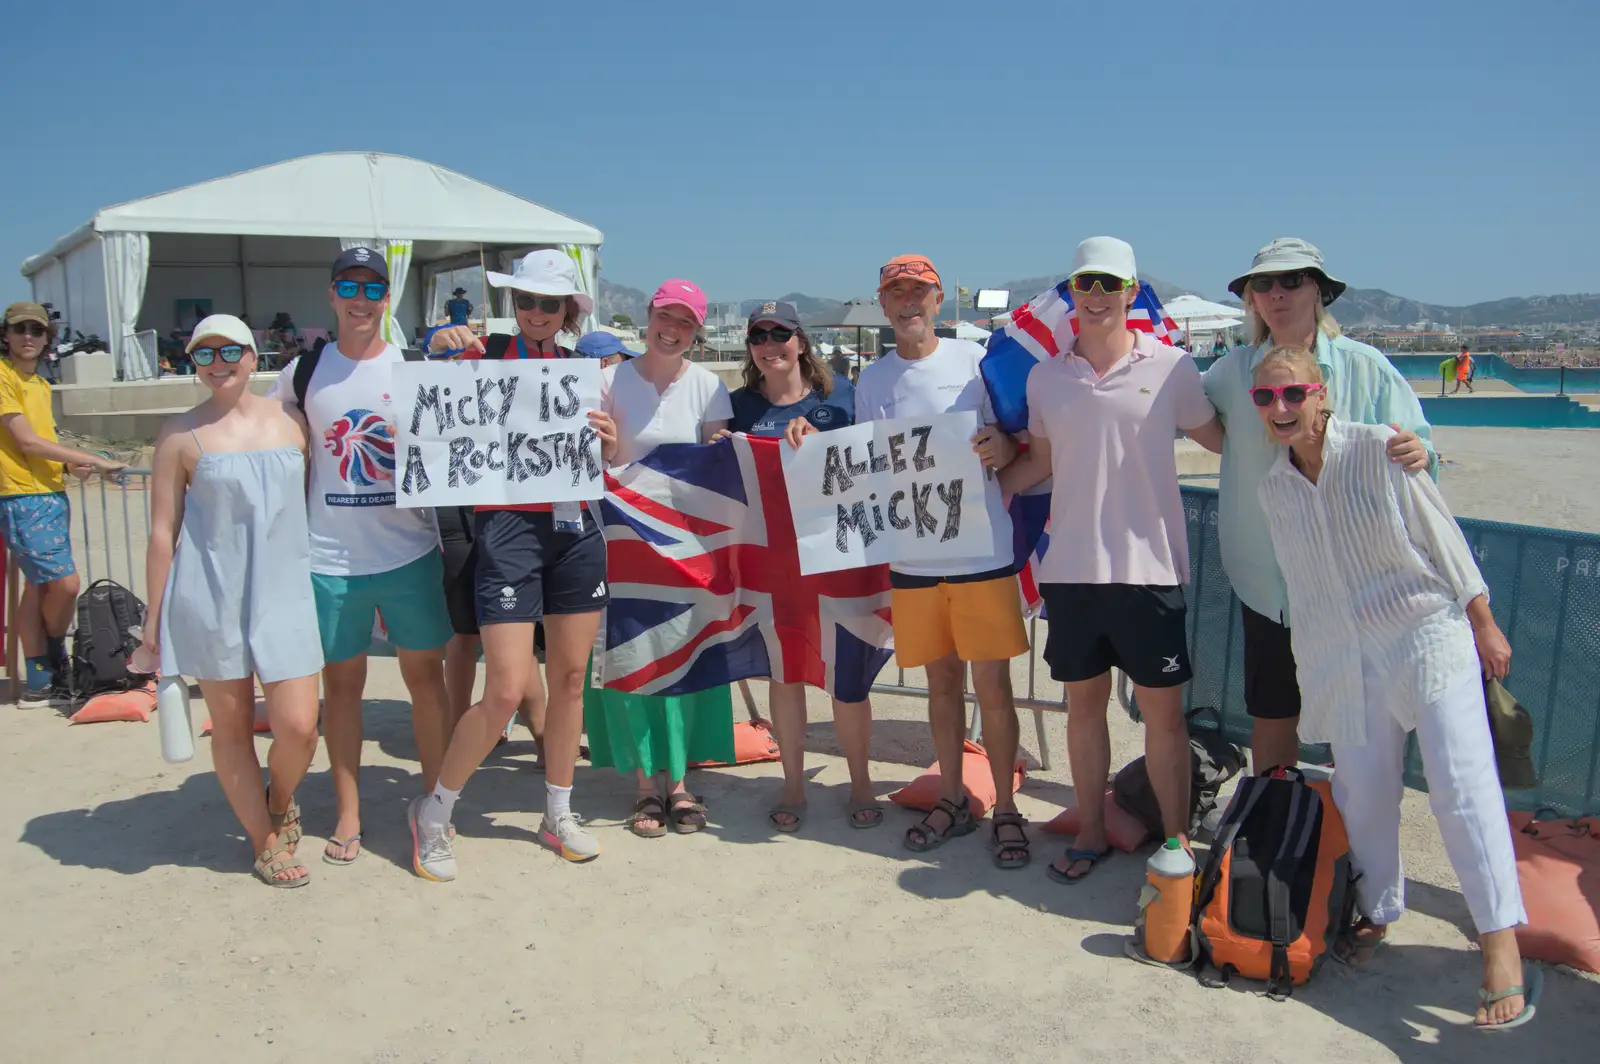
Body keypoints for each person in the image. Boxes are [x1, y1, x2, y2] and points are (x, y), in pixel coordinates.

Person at [1250, 345, 1536, 1030]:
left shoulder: (1381, 449)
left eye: (1294, 394)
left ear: (1322, 396)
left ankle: (1502, 945)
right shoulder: (1273, 492)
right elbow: (1308, 589)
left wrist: (1483, 620)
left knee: (1459, 785)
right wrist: (1313, 666)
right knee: (1364, 795)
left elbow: (1441, 535)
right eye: (1266, 399)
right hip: (1344, 659)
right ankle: (1379, 908)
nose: (1281, 409)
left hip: (1424, 634)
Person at [998, 238, 1223, 882]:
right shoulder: (1046, 378)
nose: (1093, 296)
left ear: (1130, 292)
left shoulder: (1174, 368)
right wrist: (972, 479)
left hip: (1149, 573)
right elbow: (1037, 464)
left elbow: (1224, 441)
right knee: (1084, 711)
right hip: (1070, 571)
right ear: (1070, 293)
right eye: (1082, 285)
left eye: (1106, 284)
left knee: (1164, 720)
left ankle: (1176, 845)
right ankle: (1091, 832)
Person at [798, 255, 1030, 866]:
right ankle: (952, 798)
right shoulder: (872, 381)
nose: (909, 303)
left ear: (937, 300)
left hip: (984, 554)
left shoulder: (977, 361)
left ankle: (1005, 807)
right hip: (915, 561)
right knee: (942, 685)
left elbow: (1018, 441)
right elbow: (866, 469)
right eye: (896, 293)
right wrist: (806, 443)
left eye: (919, 292)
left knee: (995, 688)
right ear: (884, 303)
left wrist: (1001, 446)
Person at [408, 249, 615, 878]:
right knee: (503, 687)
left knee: (572, 678)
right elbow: (429, 381)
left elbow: (609, 454)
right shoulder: (483, 356)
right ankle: (434, 811)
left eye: (548, 303)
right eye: (525, 301)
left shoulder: (585, 371)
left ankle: (558, 809)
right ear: (512, 304)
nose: (535, 312)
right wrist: (438, 340)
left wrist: (611, 441)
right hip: (506, 531)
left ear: (566, 311)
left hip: (575, 527)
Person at [1205, 239, 1433, 773]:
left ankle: (1355, 847)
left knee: (1362, 726)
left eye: (1292, 281)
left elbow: (1421, 452)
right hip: (1270, 585)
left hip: (1356, 585)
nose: (1277, 293)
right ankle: (1273, 838)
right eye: (1264, 283)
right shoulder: (1230, 373)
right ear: (1252, 300)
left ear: (1319, 291)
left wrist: (1420, 452)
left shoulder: (1367, 368)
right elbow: (1174, 412)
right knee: (1274, 717)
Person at [265, 247, 453, 867]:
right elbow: (264, 443)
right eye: (350, 285)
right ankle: (348, 811)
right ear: (332, 294)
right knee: (341, 687)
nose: (362, 298)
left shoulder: (417, 366)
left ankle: (433, 806)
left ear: (386, 298)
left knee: (426, 680)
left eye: (374, 288)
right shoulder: (302, 372)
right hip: (329, 559)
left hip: (410, 553)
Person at [138, 315, 324, 887]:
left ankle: (280, 797)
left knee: (298, 725)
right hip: (209, 591)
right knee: (233, 723)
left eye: (230, 351)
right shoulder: (178, 435)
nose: (218, 363)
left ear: (253, 356)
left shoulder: (294, 421)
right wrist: (153, 620)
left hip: (285, 590)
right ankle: (263, 840)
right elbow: (162, 533)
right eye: (203, 354)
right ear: (192, 363)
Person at [713, 301, 877, 831]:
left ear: (801, 342)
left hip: (839, 556)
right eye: (758, 335)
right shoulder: (736, 406)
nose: (769, 343)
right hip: (774, 564)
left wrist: (827, 441)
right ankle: (792, 786)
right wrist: (717, 451)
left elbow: (877, 460)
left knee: (847, 678)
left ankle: (861, 784)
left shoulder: (846, 397)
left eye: (779, 333)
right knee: (783, 674)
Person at [586, 279, 736, 838]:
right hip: (621, 549)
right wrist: (601, 448)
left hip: (686, 552)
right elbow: (590, 462)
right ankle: (645, 786)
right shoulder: (605, 381)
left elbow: (716, 471)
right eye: (665, 318)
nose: (672, 331)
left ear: (696, 332)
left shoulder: (708, 387)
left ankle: (678, 782)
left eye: (686, 323)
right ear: (647, 317)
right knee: (629, 661)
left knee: (681, 664)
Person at [0, 302, 126, 706]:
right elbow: (26, 441)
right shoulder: (3, 377)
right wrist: (92, 459)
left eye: (36, 331)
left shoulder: (38, 383)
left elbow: (40, 443)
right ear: (6, 334)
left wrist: (70, 468)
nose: (28, 337)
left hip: (49, 492)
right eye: (20, 329)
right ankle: (52, 654)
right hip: (21, 495)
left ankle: (38, 675)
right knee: (64, 583)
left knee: (41, 587)